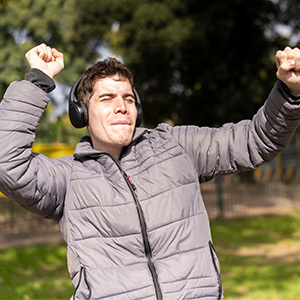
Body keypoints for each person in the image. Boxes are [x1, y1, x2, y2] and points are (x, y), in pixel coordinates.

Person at [0, 43, 299, 300]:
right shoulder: (68, 177)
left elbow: (255, 141)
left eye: (128, 99)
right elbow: (7, 164)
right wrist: (37, 81)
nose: (121, 107)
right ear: (81, 113)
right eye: (107, 99)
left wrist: (290, 91)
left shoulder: (175, 145)